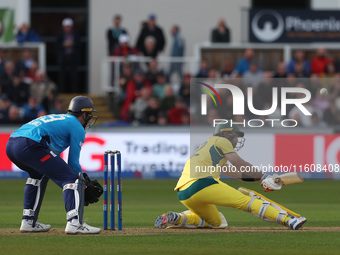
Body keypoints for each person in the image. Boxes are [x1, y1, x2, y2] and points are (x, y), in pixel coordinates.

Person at [154, 122, 307, 230]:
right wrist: (264, 176)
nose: (236, 140)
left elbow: (239, 174)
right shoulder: (221, 140)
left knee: (218, 222)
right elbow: (238, 162)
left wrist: (262, 179)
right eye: (235, 136)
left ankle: (178, 218)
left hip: (184, 193)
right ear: (226, 133)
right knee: (248, 201)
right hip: (203, 183)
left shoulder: (209, 149)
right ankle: (289, 220)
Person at [6, 96, 102, 234]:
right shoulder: (77, 126)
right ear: (84, 114)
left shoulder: (61, 118)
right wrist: (83, 183)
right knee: (71, 179)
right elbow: (73, 163)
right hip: (31, 144)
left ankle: (28, 221)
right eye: (89, 115)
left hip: (11, 144)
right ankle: (75, 223)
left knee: (38, 175)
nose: (89, 119)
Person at [56, 18, 80, 93]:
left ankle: (74, 92)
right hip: (63, 57)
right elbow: (57, 45)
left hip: (73, 57)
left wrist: (73, 44)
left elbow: (79, 44)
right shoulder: (60, 34)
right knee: (62, 76)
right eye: (66, 26)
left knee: (74, 76)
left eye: (69, 26)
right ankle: (62, 91)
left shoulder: (75, 34)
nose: (67, 28)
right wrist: (63, 45)